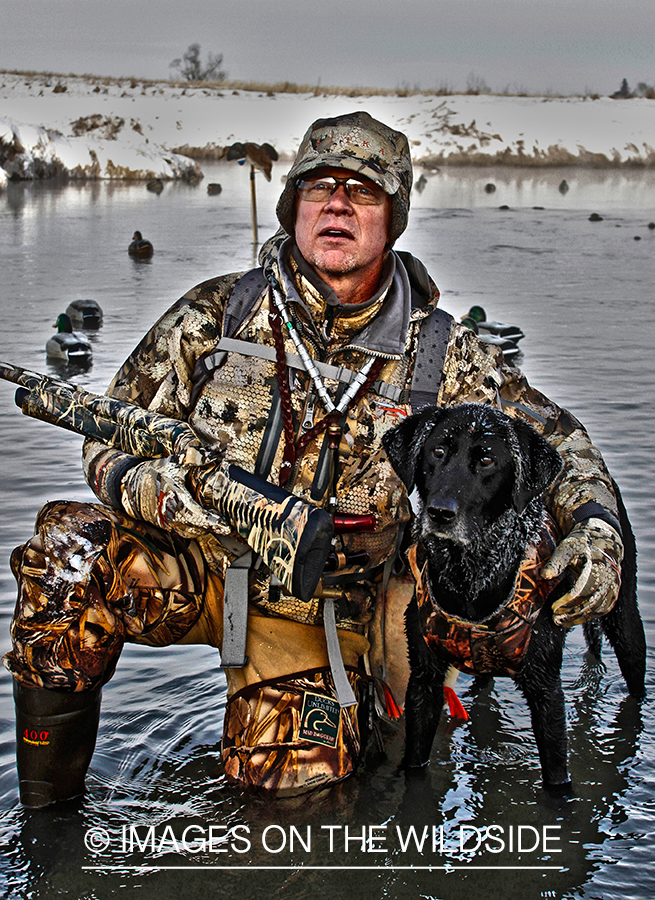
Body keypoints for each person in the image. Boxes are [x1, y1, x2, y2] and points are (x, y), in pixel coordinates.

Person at [4, 111, 624, 806]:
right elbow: (106, 438)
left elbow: (561, 445)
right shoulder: (218, 313)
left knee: (291, 798)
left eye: (362, 192)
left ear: (393, 217)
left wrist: (596, 534)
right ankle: (48, 831)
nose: (337, 204)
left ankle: (367, 721)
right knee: (66, 555)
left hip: (322, 605)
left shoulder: (443, 355)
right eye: (318, 186)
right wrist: (161, 492)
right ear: (292, 205)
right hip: (199, 564)